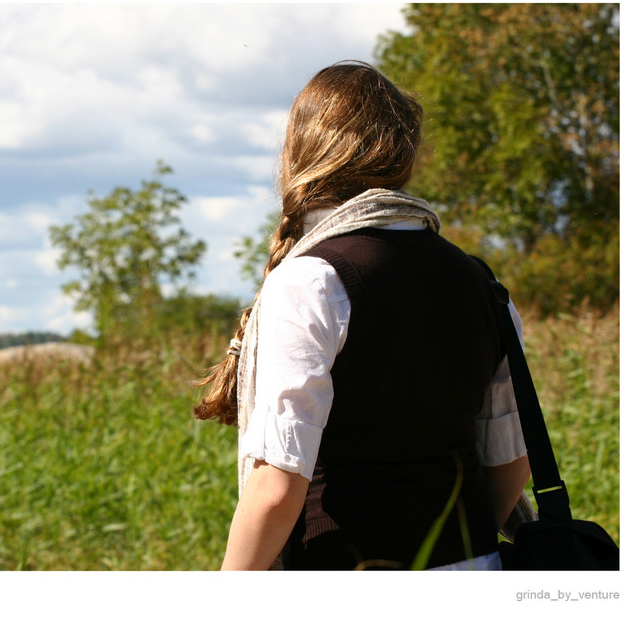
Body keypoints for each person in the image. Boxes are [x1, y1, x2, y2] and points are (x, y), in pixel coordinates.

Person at [195, 61, 531, 570]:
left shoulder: (311, 281)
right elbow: (510, 461)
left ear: (302, 151)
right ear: (405, 156)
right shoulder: (483, 284)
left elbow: (275, 488)